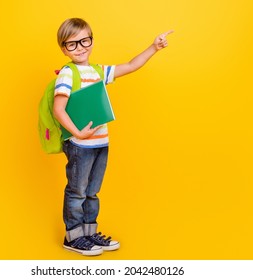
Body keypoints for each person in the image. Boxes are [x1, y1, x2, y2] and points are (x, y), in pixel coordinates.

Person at [53, 18, 173, 256]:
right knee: (77, 191)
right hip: (80, 144)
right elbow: (59, 109)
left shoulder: (98, 71)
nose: (80, 47)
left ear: (92, 40)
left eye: (84, 40)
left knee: (92, 191)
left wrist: (154, 48)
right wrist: (78, 133)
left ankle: (88, 233)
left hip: (100, 143)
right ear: (63, 48)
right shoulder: (67, 74)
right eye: (72, 44)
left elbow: (129, 65)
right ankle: (73, 236)